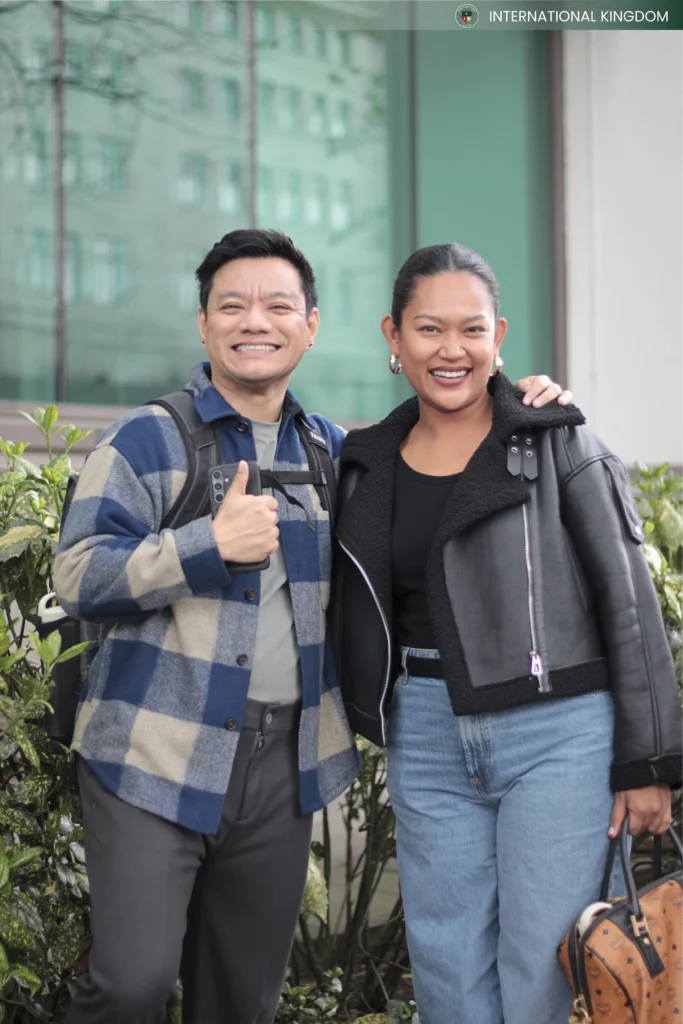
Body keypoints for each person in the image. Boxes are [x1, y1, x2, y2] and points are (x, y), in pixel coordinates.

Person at [54, 228, 572, 1024]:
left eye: (277, 305)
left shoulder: (337, 453)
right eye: (232, 306)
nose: (254, 322)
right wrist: (205, 546)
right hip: (153, 748)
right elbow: (79, 575)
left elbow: (445, 461)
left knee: (242, 1000)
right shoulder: (147, 439)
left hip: (283, 762)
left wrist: (520, 401)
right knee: (132, 983)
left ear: (311, 326)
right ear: (203, 323)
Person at [330, 242, 682, 1024]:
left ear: (498, 336)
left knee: (543, 968)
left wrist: (647, 760)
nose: (449, 349)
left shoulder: (554, 437)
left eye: (470, 329)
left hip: (559, 731)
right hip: (425, 727)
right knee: (446, 967)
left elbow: (627, 598)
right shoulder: (365, 462)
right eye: (428, 328)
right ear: (393, 336)